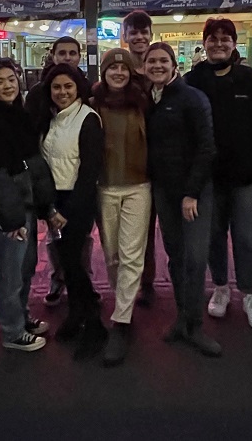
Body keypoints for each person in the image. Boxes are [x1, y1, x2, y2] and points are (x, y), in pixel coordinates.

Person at [185, 18, 252, 330]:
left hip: (249, 177)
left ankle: (250, 294)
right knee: (213, 235)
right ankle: (221, 288)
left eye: (226, 39)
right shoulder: (191, 81)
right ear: (205, 43)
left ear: (234, 44)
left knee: (248, 238)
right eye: (213, 39)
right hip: (208, 179)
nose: (219, 43)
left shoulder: (251, 80)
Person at [0, 58, 62, 352]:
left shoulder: (18, 115)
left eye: (11, 79)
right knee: (10, 272)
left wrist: (45, 205)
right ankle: (11, 331)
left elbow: (33, 164)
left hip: (24, 204)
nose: (7, 85)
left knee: (26, 267)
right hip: (4, 210)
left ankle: (21, 317)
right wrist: (10, 220)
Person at [145, 42, 219, 356]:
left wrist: (192, 192)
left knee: (195, 258)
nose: (157, 66)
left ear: (175, 65)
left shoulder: (191, 98)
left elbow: (207, 148)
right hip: (163, 190)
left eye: (163, 60)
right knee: (175, 256)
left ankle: (195, 325)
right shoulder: (150, 100)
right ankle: (181, 318)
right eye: (152, 61)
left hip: (193, 193)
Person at [39, 64, 107, 359]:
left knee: (73, 262)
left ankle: (92, 323)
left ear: (78, 87)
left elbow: (90, 170)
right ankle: (78, 313)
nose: (62, 92)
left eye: (68, 86)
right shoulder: (51, 119)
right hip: (55, 200)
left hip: (76, 202)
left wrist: (66, 210)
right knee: (67, 262)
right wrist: (50, 206)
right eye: (57, 87)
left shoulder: (88, 119)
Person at [92, 48, 152, 366]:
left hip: (139, 186)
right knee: (112, 253)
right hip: (104, 187)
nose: (118, 73)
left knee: (131, 255)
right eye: (112, 68)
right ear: (103, 72)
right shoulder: (92, 104)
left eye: (123, 68)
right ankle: (122, 302)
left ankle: (122, 320)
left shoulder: (143, 102)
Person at [24, 36, 94, 308]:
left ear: (79, 56)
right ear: (53, 55)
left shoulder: (87, 91)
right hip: (48, 179)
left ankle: (82, 280)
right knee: (55, 236)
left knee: (80, 236)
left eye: (72, 53)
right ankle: (59, 276)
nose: (67, 57)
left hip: (78, 182)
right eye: (62, 52)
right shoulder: (38, 93)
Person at [122, 9, 157, 307]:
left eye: (144, 32)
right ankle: (135, 281)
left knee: (156, 226)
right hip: (130, 164)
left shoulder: (159, 69)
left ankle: (149, 282)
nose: (139, 37)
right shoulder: (119, 72)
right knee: (134, 230)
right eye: (133, 32)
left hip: (160, 163)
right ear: (125, 37)